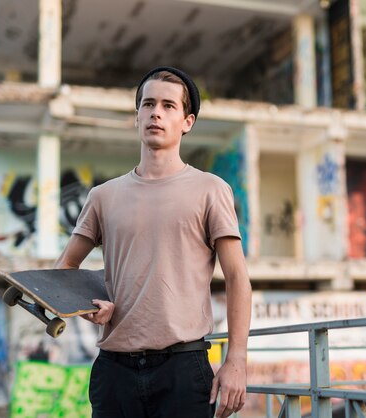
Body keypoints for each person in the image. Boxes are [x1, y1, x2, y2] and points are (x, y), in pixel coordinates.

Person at [54, 66, 252, 418]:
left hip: (183, 368)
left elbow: (237, 278)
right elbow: (65, 269)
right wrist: (89, 306)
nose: (156, 112)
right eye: (147, 104)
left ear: (187, 121)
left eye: (168, 106)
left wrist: (236, 360)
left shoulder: (211, 189)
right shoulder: (103, 195)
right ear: (137, 117)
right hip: (114, 371)